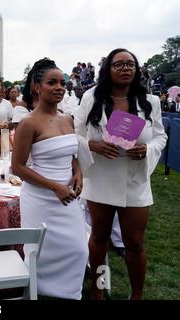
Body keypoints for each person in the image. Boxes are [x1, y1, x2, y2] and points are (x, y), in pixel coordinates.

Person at [74, 48, 167, 300]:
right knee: (100, 237)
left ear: (136, 70)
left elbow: (160, 137)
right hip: (102, 178)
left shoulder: (150, 101)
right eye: (119, 64)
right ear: (108, 69)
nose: (126, 69)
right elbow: (75, 133)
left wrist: (147, 149)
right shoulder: (92, 97)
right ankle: (99, 289)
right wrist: (92, 145)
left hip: (134, 182)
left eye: (130, 64)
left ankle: (136, 294)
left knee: (134, 243)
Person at [12, 58, 88, 300]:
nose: (59, 87)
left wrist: (77, 172)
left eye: (62, 83)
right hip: (41, 199)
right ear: (37, 86)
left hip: (68, 198)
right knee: (41, 254)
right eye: (52, 82)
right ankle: (39, 292)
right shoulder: (28, 123)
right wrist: (54, 187)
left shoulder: (67, 119)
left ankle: (71, 293)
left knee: (78, 249)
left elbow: (71, 153)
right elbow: (17, 168)